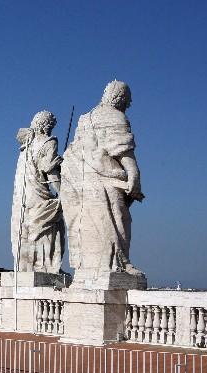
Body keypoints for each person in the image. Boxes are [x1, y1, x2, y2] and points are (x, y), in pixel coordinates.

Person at [60, 80, 144, 275]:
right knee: (118, 219)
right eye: (128, 99)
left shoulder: (84, 118)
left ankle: (91, 268)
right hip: (104, 179)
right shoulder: (115, 116)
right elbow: (122, 149)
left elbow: (75, 150)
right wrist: (134, 173)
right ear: (120, 98)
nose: (129, 104)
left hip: (81, 180)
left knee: (89, 222)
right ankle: (118, 263)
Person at [11, 111, 65, 273]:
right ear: (48, 125)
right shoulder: (49, 142)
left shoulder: (25, 146)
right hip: (38, 195)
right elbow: (50, 172)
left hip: (22, 196)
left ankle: (27, 267)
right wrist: (63, 192)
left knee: (27, 228)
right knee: (51, 223)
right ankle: (46, 266)